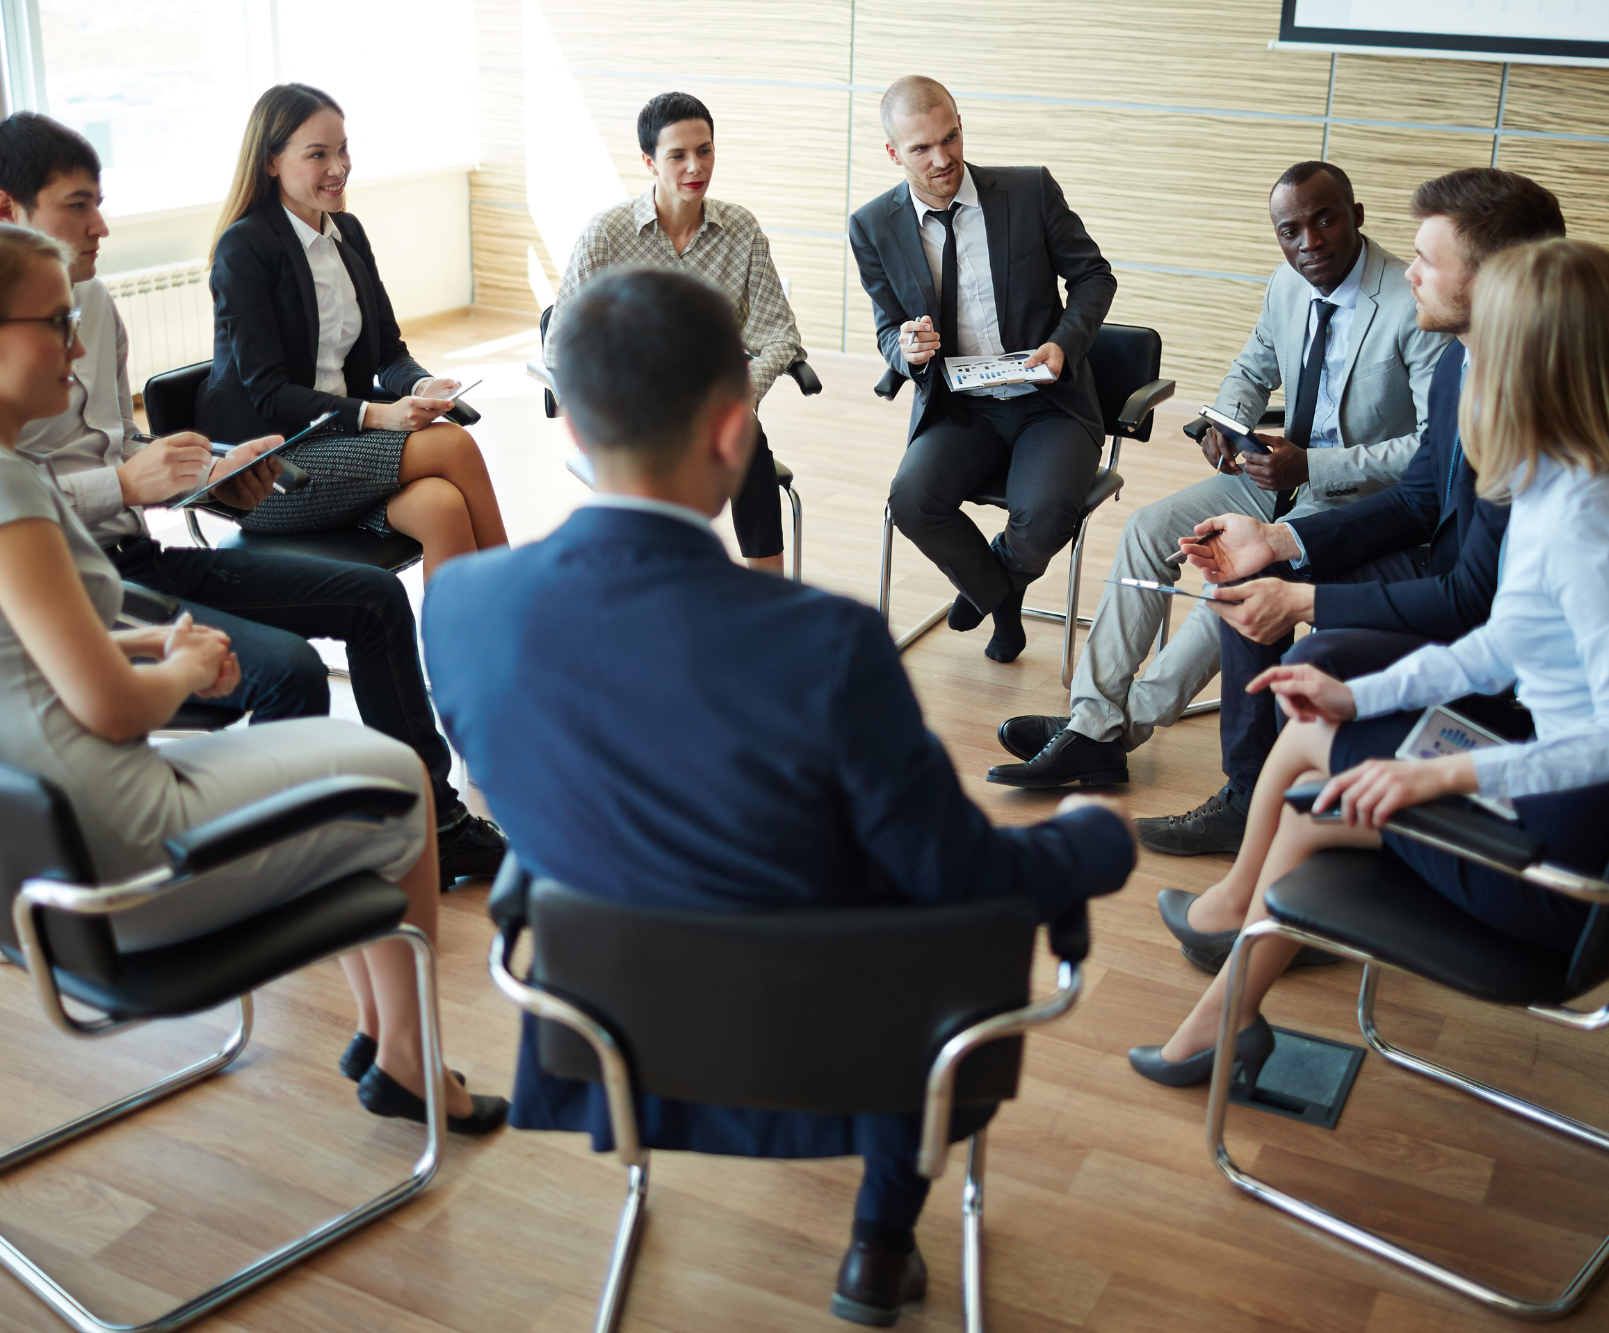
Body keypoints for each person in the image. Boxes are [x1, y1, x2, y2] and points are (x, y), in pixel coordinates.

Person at [423, 269, 1137, 1326]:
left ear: (569, 420)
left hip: (613, 1039)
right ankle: (877, 1241)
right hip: (849, 1046)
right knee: (929, 943)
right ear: (732, 431)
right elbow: (957, 873)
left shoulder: (463, 604)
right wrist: (1088, 846)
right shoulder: (824, 642)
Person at [0, 223, 507, 1133]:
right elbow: (110, 709)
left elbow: (18, 647)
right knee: (390, 783)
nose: (77, 345)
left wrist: (144, 649)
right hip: (117, 851)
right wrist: (185, 668)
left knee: (356, 777)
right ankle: (406, 1059)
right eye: (53, 324)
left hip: (35, 837)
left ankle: (387, 1036)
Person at [1125, 238, 1609, 1089]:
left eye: (1482, 345)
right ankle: (1224, 1017)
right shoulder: (1570, 478)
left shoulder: (1588, 522)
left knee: (1316, 787)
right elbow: (1506, 642)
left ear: (1524, 361)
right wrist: (1362, 693)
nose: (1462, 360)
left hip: (1584, 855)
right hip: (1582, 795)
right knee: (1318, 773)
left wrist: (1438, 779)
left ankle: (1221, 1014)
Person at [0, 112, 506, 888]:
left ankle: (435, 823)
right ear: (9, 213)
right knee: (289, 672)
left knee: (376, 598)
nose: (101, 225)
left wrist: (206, 469)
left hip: (141, 554)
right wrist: (121, 485)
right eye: (79, 205)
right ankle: (286, 877)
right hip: (83, 592)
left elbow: (120, 447)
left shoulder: (96, 307)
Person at [1129, 168, 1570, 862]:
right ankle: (1249, 802)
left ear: (1494, 280)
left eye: (1427, 259)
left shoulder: (1536, 417)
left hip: (1484, 622)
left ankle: (1302, 849)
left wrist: (1303, 596)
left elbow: (1471, 600)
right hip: (1438, 557)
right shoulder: (1464, 362)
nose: (1410, 273)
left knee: (1304, 645)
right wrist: (1278, 539)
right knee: (1255, 574)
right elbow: (1421, 497)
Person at [989, 160, 1448, 791]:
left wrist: (1312, 463)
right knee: (1150, 528)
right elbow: (1252, 368)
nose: (1308, 243)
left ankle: (1112, 734)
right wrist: (1223, 423)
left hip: (1356, 496)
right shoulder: (1287, 286)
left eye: (1324, 221)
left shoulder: (1408, 301)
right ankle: (1091, 719)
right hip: (1269, 475)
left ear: (1356, 217)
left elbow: (1432, 449)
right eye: (1290, 231)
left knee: (1232, 574)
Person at [849, 75, 1117, 663]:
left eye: (951, 138)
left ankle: (992, 582)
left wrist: (1065, 343)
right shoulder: (871, 225)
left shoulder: (1028, 192)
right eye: (921, 149)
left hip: (1048, 400)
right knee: (913, 500)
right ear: (893, 153)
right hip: (960, 405)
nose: (942, 159)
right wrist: (906, 349)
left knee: (1044, 514)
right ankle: (1002, 598)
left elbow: (1094, 276)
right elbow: (887, 331)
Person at [198, 82, 508, 578]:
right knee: (452, 446)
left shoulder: (348, 233)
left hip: (343, 450)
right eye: (318, 154)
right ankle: (527, 615)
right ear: (271, 161)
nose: (338, 167)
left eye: (342, 149)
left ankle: (472, 654)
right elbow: (270, 394)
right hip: (274, 470)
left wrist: (421, 384)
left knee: (441, 506)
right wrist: (379, 416)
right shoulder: (246, 249)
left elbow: (388, 350)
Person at [545, 91, 804, 575]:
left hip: (711, 406)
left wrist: (744, 390)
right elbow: (561, 342)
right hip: (630, 411)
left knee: (744, 434)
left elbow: (781, 335)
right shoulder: (605, 234)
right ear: (649, 162)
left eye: (704, 150)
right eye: (678, 155)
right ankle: (653, 588)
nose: (695, 167)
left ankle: (766, 589)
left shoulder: (741, 230)